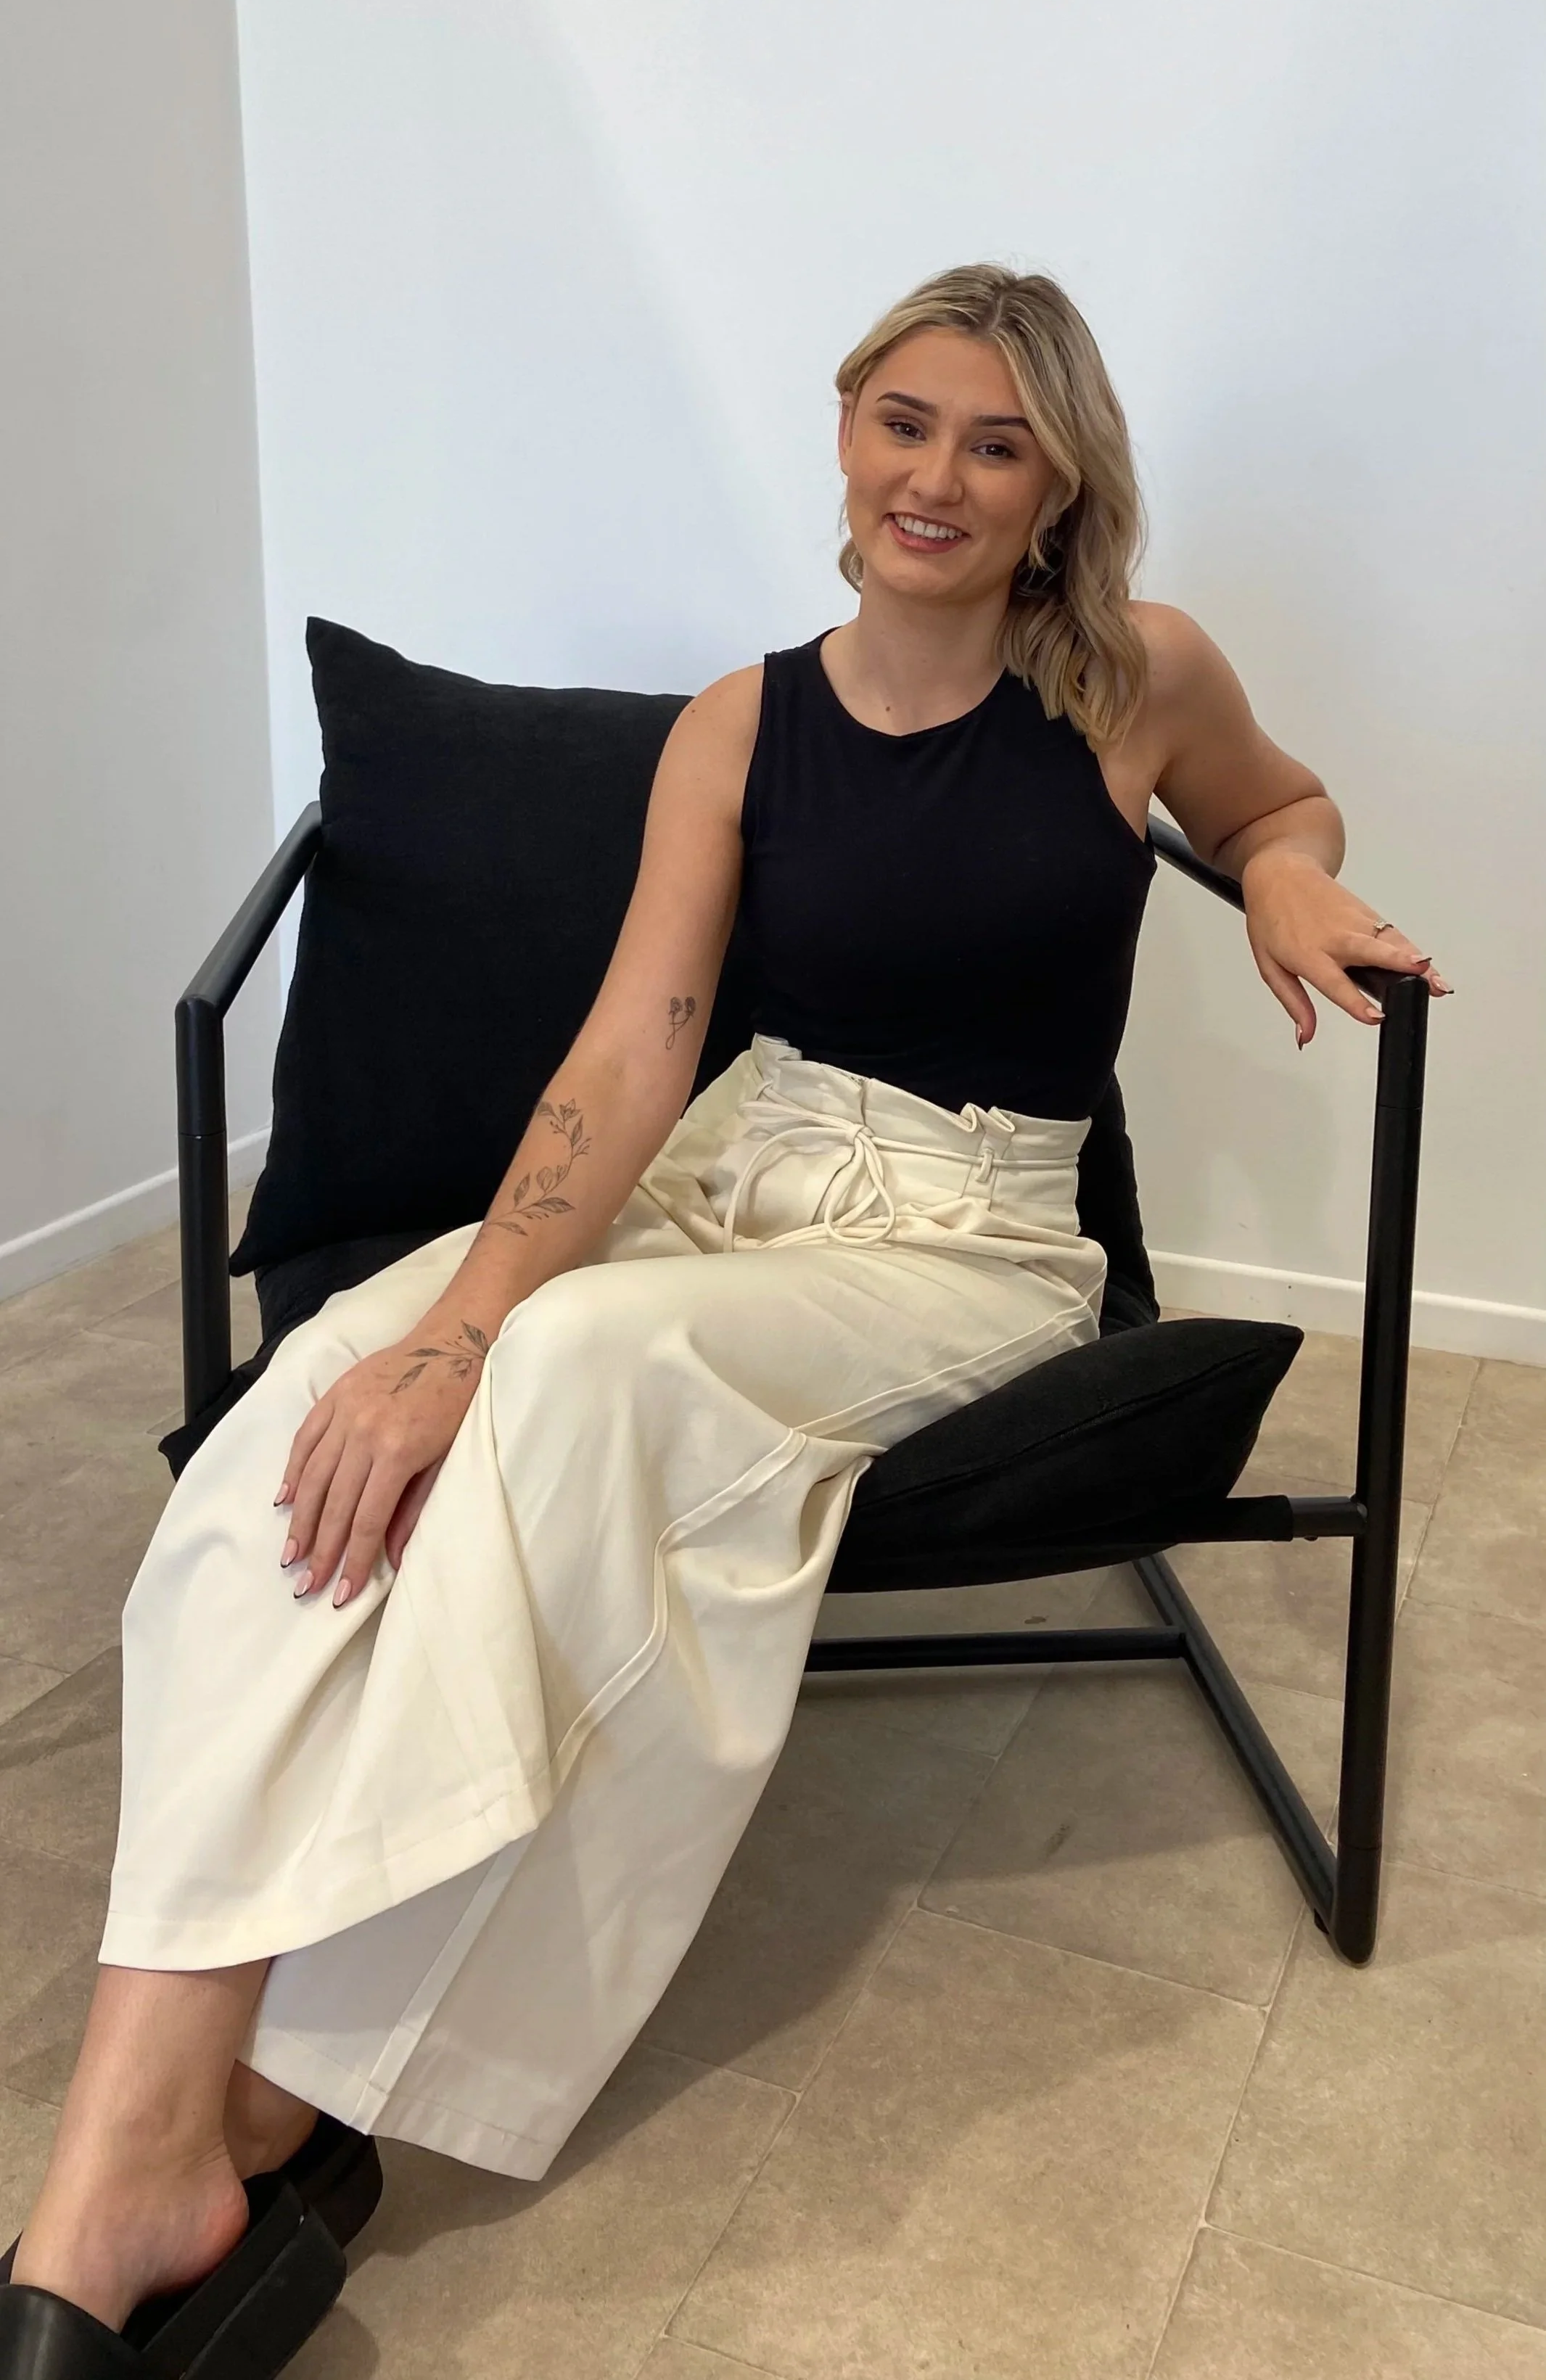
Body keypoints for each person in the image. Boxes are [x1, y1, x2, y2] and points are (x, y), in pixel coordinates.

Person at [3, 265, 1448, 2376]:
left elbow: (1263, 803)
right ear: (845, 427)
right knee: (318, 1402)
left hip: (967, 1236)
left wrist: (1300, 868)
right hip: (729, 1172)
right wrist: (445, 1324)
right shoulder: (740, 720)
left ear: (1057, 490)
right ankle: (138, 2131)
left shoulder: (1137, 674)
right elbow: (634, 1048)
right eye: (903, 419)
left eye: (996, 441)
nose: (934, 475)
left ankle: (274, 2087)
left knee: (571, 1379)